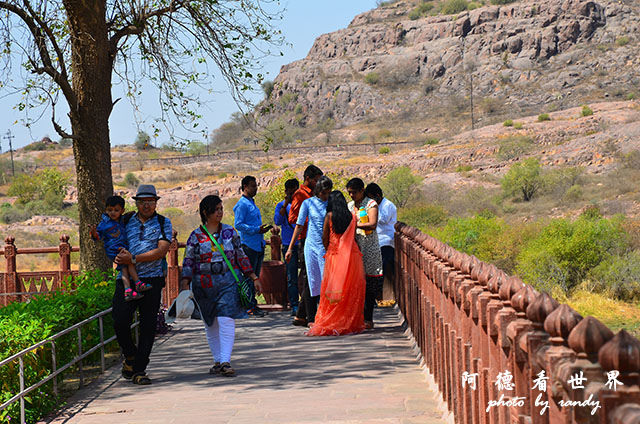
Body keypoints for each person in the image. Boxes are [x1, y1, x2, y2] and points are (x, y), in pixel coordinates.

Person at [180, 195, 261, 377]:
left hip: (228, 282)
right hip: (204, 285)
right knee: (210, 322)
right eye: (216, 209)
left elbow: (240, 255)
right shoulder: (196, 236)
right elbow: (188, 261)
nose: (220, 212)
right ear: (205, 212)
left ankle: (225, 360)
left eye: (221, 209)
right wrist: (185, 283)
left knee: (226, 319)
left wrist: (253, 276)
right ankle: (217, 360)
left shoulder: (230, 232)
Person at [113, 184, 172, 385]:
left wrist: (134, 259)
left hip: (152, 279)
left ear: (156, 203)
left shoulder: (164, 223)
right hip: (126, 280)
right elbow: (110, 236)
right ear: (136, 203)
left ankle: (139, 370)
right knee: (120, 321)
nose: (146, 205)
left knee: (148, 326)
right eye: (142, 202)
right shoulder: (126, 219)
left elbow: (162, 250)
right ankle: (130, 356)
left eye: (150, 202)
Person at [307, 191, 366, 336]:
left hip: (334, 255)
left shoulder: (329, 216)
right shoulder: (352, 216)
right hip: (352, 256)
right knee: (349, 288)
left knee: (333, 290)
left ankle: (333, 319)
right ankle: (349, 321)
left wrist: (329, 251)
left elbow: (325, 237)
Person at [285, 175, 333, 326]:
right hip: (311, 246)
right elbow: (299, 226)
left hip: (326, 247)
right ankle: (311, 318)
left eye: (328, 193)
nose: (326, 196)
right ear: (318, 191)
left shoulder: (331, 203)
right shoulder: (308, 203)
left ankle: (327, 315)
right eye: (324, 192)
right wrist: (290, 248)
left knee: (328, 282)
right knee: (312, 281)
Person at [89, 195, 151, 301]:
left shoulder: (121, 220)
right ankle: (136, 284)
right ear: (106, 210)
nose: (112, 213)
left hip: (121, 247)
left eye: (116, 210)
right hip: (114, 249)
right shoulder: (105, 224)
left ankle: (129, 289)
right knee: (128, 262)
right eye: (110, 210)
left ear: (122, 210)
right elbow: (98, 237)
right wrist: (93, 233)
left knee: (126, 266)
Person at [346, 178, 383, 330]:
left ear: (362, 191)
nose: (351, 196)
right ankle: (357, 317)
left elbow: (372, 224)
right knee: (355, 284)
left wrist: (354, 224)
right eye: (349, 193)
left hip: (369, 248)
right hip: (354, 249)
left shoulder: (371, 204)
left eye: (354, 192)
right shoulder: (349, 206)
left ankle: (368, 318)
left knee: (369, 284)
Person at [233, 175, 272, 317]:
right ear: (245, 187)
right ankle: (248, 306)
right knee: (249, 276)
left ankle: (252, 304)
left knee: (254, 277)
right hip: (248, 245)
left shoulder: (251, 203)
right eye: (253, 186)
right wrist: (256, 230)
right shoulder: (242, 204)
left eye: (256, 186)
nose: (255, 188)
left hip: (257, 244)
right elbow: (238, 224)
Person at [365, 183, 397, 300]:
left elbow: (383, 219)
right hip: (375, 241)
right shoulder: (373, 206)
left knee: (384, 267)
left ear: (377, 196)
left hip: (386, 241)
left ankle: (385, 296)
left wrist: (372, 213)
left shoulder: (387, 205)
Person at [274, 178, 300, 316]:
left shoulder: (303, 204)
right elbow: (278, 221)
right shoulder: (281, 206)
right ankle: (294, 304)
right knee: (291, 277)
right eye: (290, 193)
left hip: (302, 243)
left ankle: (309, 303)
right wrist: (285, 204)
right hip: (288, 244)